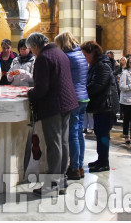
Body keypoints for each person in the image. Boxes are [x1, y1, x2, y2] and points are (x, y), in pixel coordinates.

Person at [25, 32, 77, 196]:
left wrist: (29, 93)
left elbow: (41, 88)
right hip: (67, 103)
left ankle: (52, 183)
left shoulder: (43, 57)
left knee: (54, 145)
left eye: (31, 49)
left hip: (53, 105)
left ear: (35, 46)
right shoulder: (60, 53)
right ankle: (61, 181)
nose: (32, 53)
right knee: (63, 142)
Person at [54, 31, 88, 180]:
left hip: (73, 98)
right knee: (79, 132)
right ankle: (80, 166)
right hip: (84, 98)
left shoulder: (67, 57)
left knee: (72, 133)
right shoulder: (80, 54)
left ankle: (74, 168)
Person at [81, 41, 118, 173]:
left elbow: (97, 86)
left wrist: (82, 90)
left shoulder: (102, 66)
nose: (84, 58)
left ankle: (104, 162)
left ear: (92, 53)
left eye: (85, 55)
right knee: (99, 132)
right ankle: (101, 159)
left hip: (106, 106)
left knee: (103, 135)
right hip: (101, 105)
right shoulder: (96, 65)